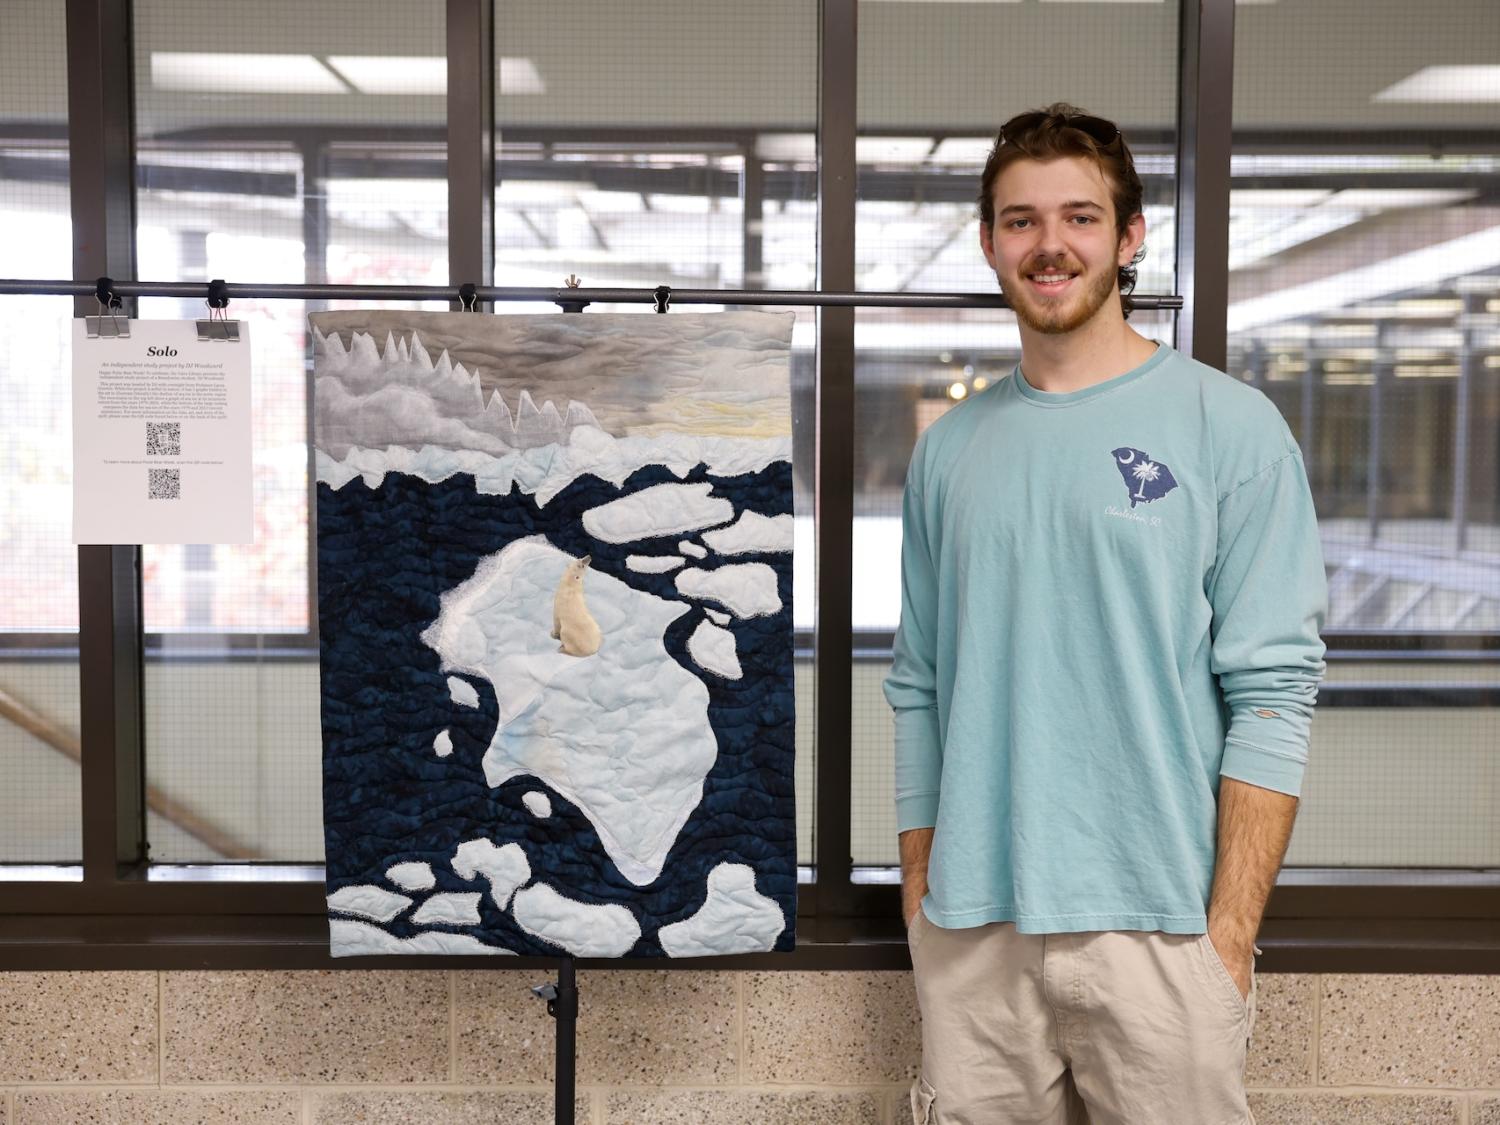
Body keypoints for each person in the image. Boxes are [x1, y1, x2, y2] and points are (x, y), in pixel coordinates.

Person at [882, 104, 1328, 1125]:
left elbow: (1273, 689)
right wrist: (921, 895)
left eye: (1080, 217)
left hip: (1165, 932)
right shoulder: (949, 452)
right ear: (990, 241)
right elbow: (920, 686)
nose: (1050, 245)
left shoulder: (1231, 426)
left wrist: (1229, 933)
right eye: (1021, 220)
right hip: (974, 931)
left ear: (1130, 238)